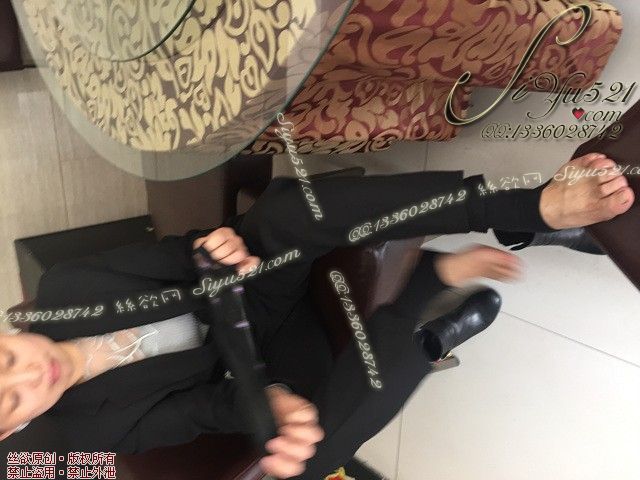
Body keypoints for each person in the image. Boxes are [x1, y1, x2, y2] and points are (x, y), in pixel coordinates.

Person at [0, 152, 633, 479]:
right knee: (304, 460)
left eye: (5, 362)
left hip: (253, 283)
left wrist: (211, 248)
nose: (29, 376)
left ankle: (524, 208)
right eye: (10, 401)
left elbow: (181, 251)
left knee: (282, 213)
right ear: (11, 429)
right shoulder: (83, 439)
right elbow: (200, 411)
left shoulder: (66, 286)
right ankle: (423, 305)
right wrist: (269, 403)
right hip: (259, 360)